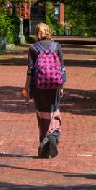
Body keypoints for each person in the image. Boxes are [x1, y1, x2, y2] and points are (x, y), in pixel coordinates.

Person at [23, 22, 65, 159]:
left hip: (38, 86)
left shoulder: (33, 48)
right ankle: (53, 135)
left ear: (37, 33)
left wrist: (26, 90)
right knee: (54, 110)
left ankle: (44, 142)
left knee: (42, 114)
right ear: (48, 32)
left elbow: (30, 71)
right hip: (55, 86)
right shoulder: (56, 46)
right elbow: (62, 69)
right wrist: (62, 87)